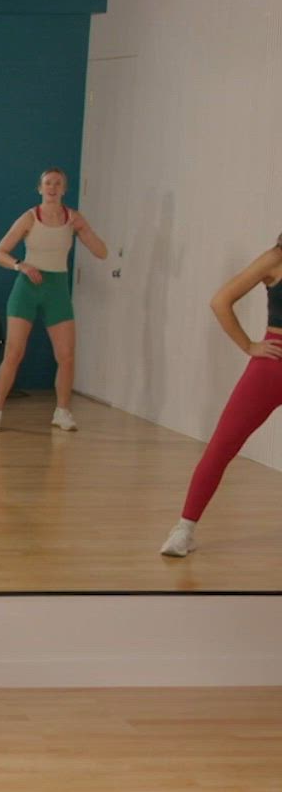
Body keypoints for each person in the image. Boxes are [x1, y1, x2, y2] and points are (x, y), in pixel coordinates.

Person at [159, 232, 282, 558]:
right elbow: (220, 301)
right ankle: (184, 529)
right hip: (272, 364)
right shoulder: (275, 258)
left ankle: (184, 531)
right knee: (223, 445)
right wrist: (249, 346)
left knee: (221, 447)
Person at [0, 168, 109, 432]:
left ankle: (62, 412)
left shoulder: (73, 218)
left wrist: (84, 228)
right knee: (13, 353)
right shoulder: (29, 217)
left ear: (64, 189)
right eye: (48, 183)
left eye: (57, 183)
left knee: (66, 355)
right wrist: (21, 265)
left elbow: (102, 252)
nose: (52, 187)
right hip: (27, 289)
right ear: (40, 189)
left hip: (57, 290)